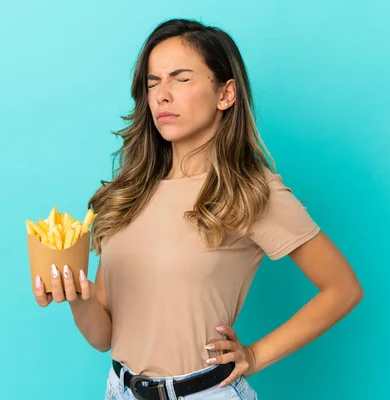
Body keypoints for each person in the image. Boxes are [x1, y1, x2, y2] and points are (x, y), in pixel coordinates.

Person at [33, 18, 364, 400]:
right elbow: (103, 337)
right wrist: (79, 297)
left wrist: (255, 355)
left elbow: (343, 288)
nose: (162, 95)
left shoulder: (251, 192)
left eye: (181, 78)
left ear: (226, 94)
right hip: (118, 390)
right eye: (152, 83)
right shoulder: (128, 194)